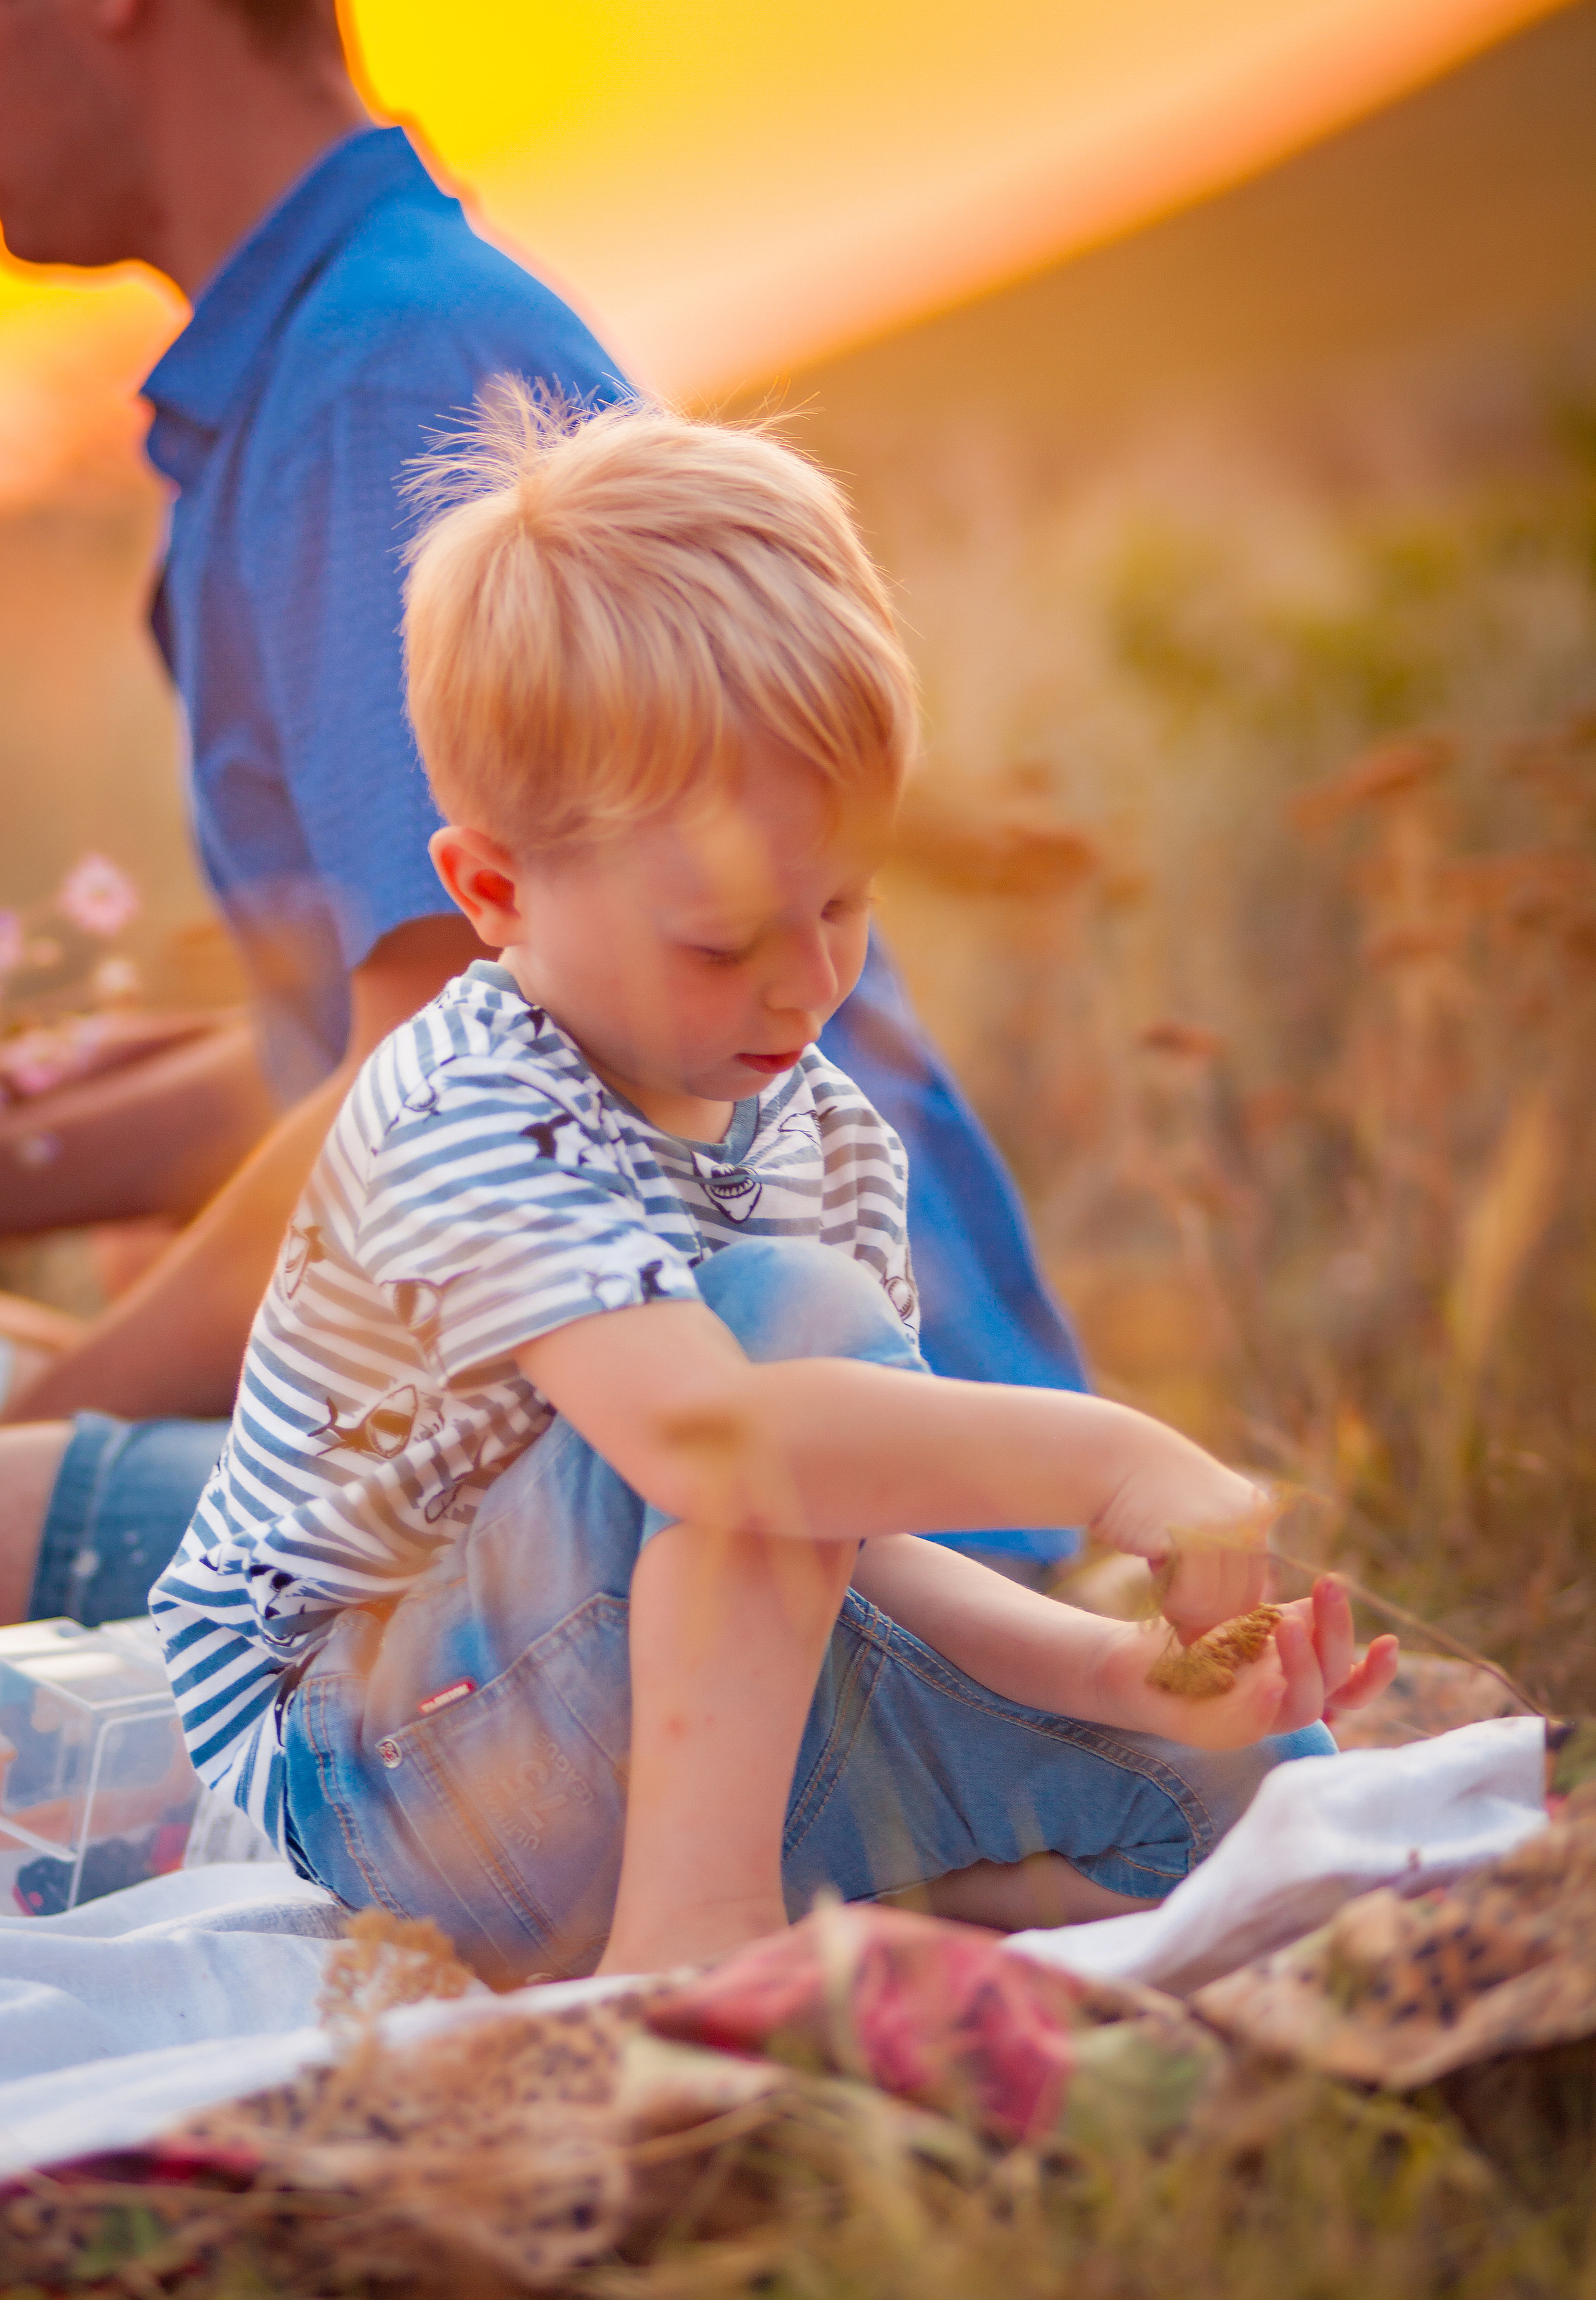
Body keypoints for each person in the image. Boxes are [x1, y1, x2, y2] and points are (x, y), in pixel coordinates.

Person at [151, 394, 1398, 1981]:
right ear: (494, 890)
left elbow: (833, 1526)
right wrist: (1109, 1459)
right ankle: (689, 1934)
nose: (805, 983)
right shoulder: (465, 1104)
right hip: (392, 1765)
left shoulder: (817, 1130)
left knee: (1249, 1802)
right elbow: (715, 1443)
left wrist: (1113, 1674)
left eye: (843, 903)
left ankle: (806, 1906)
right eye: (720, 941)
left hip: (653, 1707)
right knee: (784, 1327)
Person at [0, 0, 1088, 1631]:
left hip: (796, 1519)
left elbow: (436, 1094)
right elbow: (420, 1029)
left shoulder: (384, 384)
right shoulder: (352, 343)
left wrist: (44, 1427)